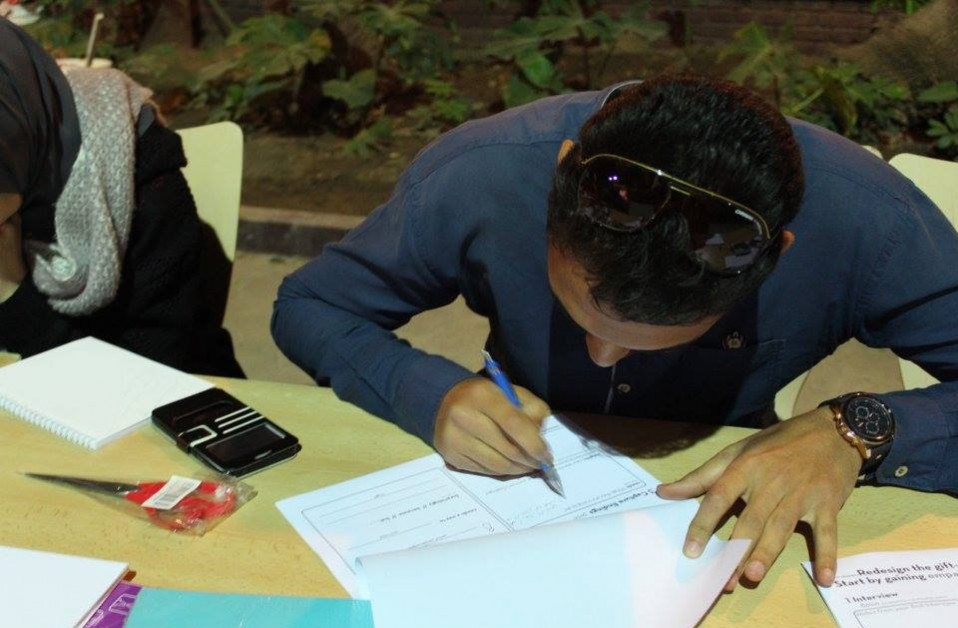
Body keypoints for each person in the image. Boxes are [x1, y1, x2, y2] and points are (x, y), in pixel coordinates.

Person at [272, 74, 958, 589]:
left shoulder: (871, 223)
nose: (603, 357)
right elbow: (310, 305)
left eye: (668, 338)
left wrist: (854, 430)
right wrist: (427, 392)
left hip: (726, 496)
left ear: (776, 256)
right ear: (559, 175)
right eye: (574, 315)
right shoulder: (481, 174)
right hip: (504, 474)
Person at [0, 21, 242, 377]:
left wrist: (12, 290)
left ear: (17, 143)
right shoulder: (23, 142)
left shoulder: (141, 183)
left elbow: (147, 369)